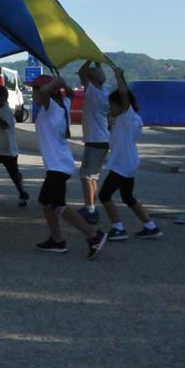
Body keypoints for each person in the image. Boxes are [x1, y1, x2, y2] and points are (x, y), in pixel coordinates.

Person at [30, 75, 108, 259]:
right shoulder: (63, 102)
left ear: (46, 91)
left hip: (58, 166)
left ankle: (93, 235)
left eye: (34, 90)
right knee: (48, 203)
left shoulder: (53, 107)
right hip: (59, 164)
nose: (33, 94)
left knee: (55, 204)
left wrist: (58, 80)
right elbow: (69, 93)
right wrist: (61, 85)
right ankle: (57, 240)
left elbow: (45, 91)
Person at [101, 67, 161, 241]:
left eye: (112, 104)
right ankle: (151, 226)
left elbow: (124, 94)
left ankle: (118, 228)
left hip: (123, 164)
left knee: (104, 195)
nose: (109, 107)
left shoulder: (129, 117)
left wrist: (119, 76)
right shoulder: (122, 118)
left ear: (121, 105)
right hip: (127, 162)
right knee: (128, 197)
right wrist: (109, 120)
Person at [77, 61, 110, 225]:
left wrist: (88, 57)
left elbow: (81, 71)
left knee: (86, 177)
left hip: (94, 141)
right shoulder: (104, 92)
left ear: (90, 80)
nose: (82, 82)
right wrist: (97, 61)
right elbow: (97, 76)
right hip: (102, 140)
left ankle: (90, 210)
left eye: (85, 80)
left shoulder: (92, 93)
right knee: (93, 177)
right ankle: (90, 206)